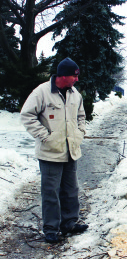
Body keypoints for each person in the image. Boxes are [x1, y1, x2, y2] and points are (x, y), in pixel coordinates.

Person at [21, 57, 88, 244]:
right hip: (50, 152)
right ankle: (51, 229)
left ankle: (69, 224)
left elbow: (81, 116)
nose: (76, 80)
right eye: (74, 76)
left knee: (70, 189)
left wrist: (80, 132)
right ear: (62, 75)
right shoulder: (42, 92)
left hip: (70, 150)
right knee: (51, 191)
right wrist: (45, 136)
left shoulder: (75, 95)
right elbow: (27, 115)